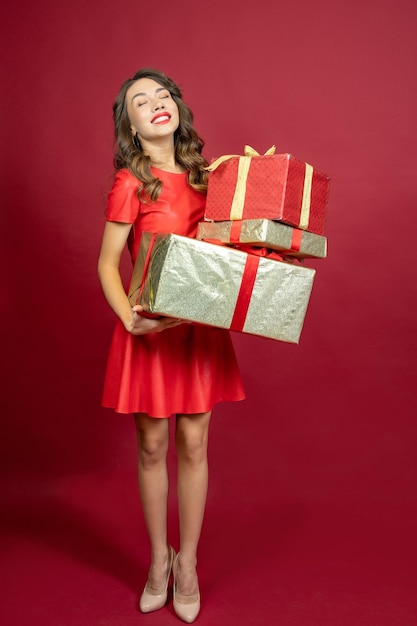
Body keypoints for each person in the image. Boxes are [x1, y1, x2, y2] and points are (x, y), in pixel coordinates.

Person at [97, 68, 245, 623]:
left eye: (163, 95)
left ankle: (190, 567)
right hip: (150, 330)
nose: (157, 103)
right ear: (131, 129)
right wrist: (128, 320)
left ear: (178, 110)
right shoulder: (130, 182)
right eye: (141, 101)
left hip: (200, 331)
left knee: (195, 443)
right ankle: (160, 561)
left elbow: (235, 251)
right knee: (153, 446)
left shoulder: (212, 178)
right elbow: (107, 265)